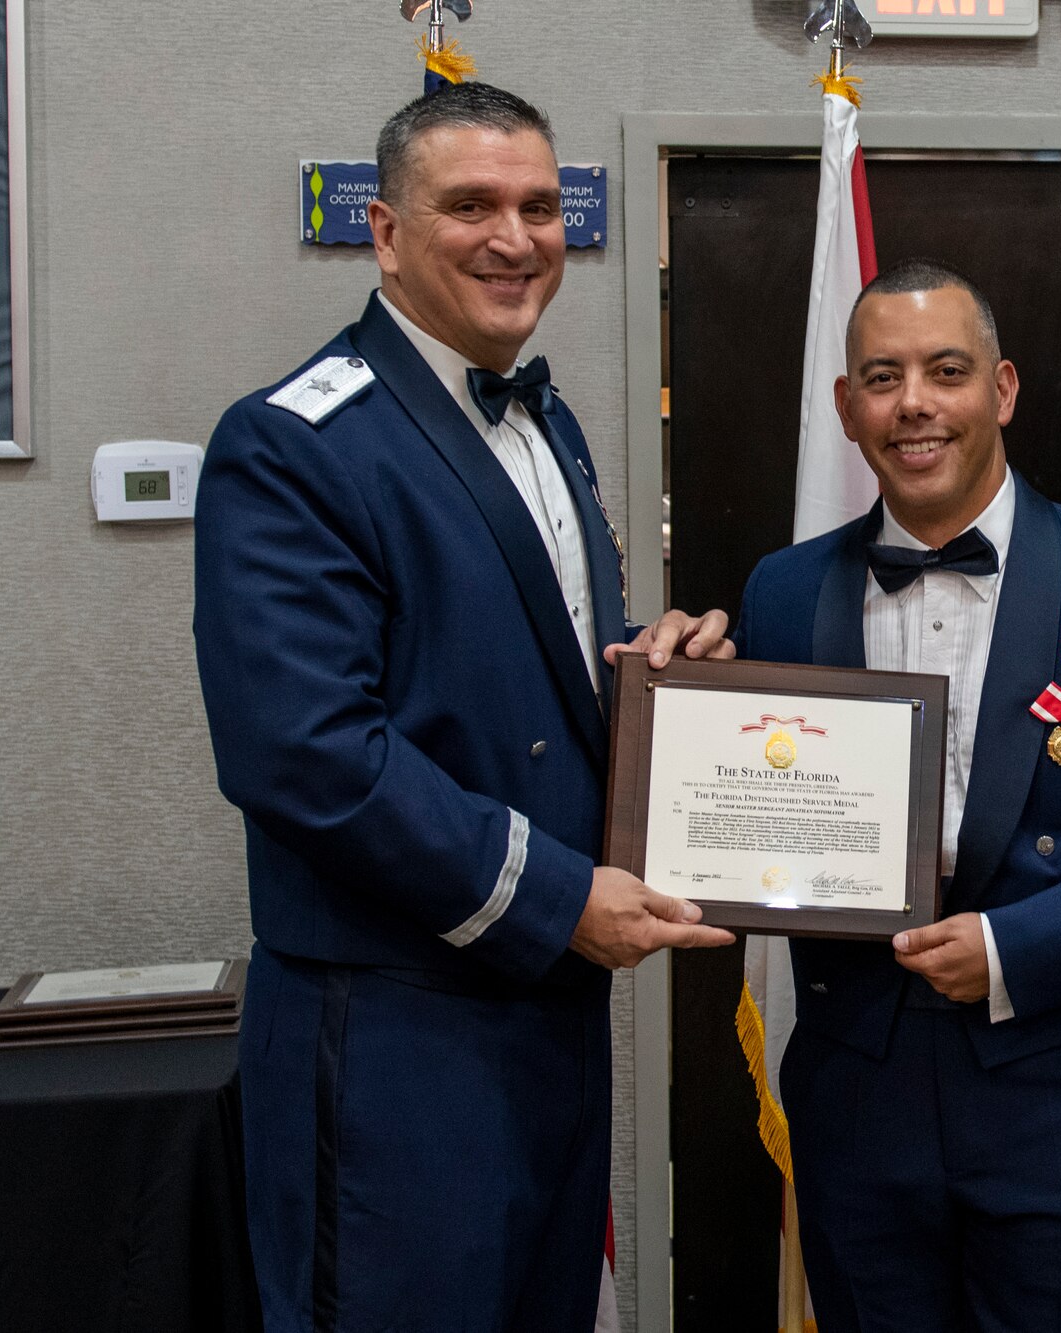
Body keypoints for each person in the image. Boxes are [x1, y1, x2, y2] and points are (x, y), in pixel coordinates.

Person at [193, 82, 735, 1331]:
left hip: (542, 1015)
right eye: (470, 205)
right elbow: (307, 755)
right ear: (384, 231)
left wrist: (655, 677)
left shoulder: (545, 424)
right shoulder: (293, 445)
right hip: (392, 1031)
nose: (514, 237)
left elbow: (510, 676)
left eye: (540, 206)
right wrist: (555, 899)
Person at [733, 259, 1061, 1332]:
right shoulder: (782, 590)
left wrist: (1019, 948)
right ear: (846, 407)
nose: (913, 404)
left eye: (945, 370)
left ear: (1003, 389)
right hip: (857, 1095)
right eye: (881, 378)